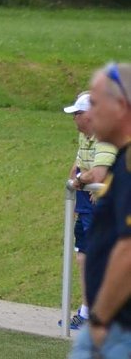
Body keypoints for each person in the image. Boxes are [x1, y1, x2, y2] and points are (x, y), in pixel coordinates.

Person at [69, 62, 131, 358]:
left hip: (117, 327)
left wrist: (100, 318)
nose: (89, 115)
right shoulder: (122, 160)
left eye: (95, 104)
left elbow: (127, 249)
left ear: (121, 107)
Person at [60, 91, 116, 330]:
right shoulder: (85, 136)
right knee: (84, 257)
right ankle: (87, 311)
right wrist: (78, 185)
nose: (74, 118)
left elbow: (99, 173)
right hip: (86, 203)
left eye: (78, 113)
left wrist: (83, 180)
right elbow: (79, 168)